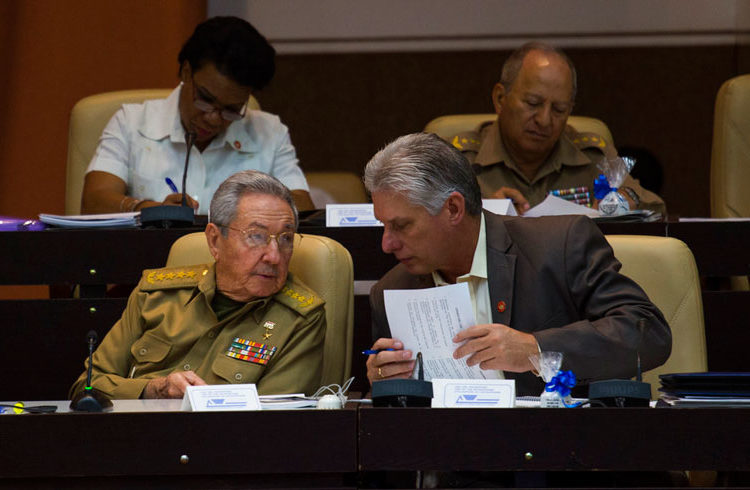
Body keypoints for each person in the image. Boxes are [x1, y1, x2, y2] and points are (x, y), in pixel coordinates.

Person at [363, 133, 671, 396]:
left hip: (561, 451)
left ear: (453, 209)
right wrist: (386, 386)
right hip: (451, 457)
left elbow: (647, 331)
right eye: (384, 226)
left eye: (401, 225)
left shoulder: (560, 246)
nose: (386, 244)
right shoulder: (392, 290)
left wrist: (536, 350)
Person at [70, 170, 325, 399]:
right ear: (215, 240)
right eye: (256, 236)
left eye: (286, 238)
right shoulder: (155, 295)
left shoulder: (300, 319)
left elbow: (270, 421)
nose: (274, 256)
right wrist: (152, 389)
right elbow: (87, 388)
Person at [81, 16, 315, 215]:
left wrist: (241, 214)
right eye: (205, 99)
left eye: (231, 110)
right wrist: (150, 210)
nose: (213, 119)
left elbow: (303, 207)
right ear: (185, 71)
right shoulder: (131, 123)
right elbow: (94, 201)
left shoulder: (270, 133)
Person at [451, 41, 665, 215]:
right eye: (533, 103)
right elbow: (426, 223)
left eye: (559, 109)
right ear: (500, 99)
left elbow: (655, 208)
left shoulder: (591, 156)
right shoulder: (459, 160)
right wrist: (482, 212)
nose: (544, 120)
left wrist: (625, 201)